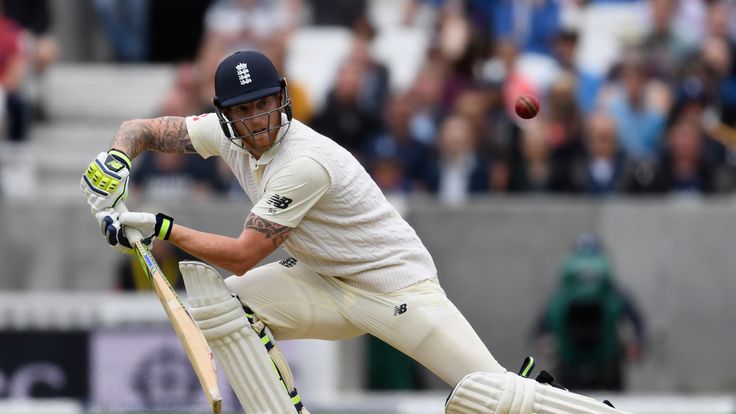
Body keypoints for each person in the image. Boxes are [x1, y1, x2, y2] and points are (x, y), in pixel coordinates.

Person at [80, 51, 630, 413]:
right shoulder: (219, 135)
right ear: (224, 116)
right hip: (322, 282)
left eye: (267, 104)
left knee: (488, 398)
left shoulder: (304, 160)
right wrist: (116, 161)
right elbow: (144, 129)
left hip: (395, 289)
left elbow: (245, 255)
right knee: (220, 307)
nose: (259, 120)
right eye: (245, 110)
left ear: (283, 99)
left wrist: (160, 226)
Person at [533, 234, 645, 391]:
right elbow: (636, 319)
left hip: (601, 365)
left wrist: (637, 343)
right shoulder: (613, 294)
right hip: (581, 366)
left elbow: (541, 324)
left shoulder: (561, 296)